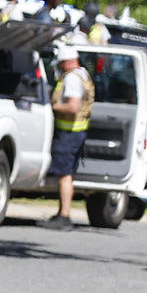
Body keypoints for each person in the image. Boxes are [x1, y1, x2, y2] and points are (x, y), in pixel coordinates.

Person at [44, 45, 94, 231]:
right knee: (67, 175)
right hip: (77, 132)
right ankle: (62, 213)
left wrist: (52, 107)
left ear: (66, 62)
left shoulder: (72, 78)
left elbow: (73, 107)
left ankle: (64, 216)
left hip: (69, 133)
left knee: (64, 176)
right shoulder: (83, 75)